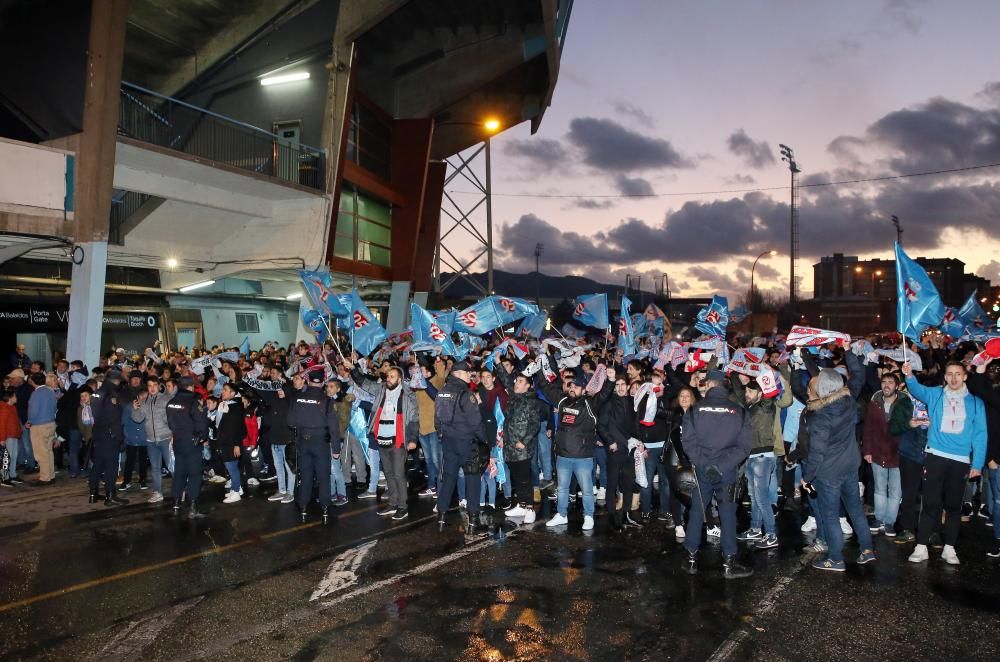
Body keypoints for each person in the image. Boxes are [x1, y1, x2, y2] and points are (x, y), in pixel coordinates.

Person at [903, 360, 987, 565]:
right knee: (930, 503)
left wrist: (977, 464)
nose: (954, 378)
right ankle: (921, 546)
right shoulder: (936, 394)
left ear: (965, 376)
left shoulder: (976, 403)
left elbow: (980, 434)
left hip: (960, 460)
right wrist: (908, 376)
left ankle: (949, 548)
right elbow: (917, 390)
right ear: (945, 377)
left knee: (952, 506)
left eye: (958, 374)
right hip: (935, 455)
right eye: (950, 374)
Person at [801, 350, 875, 572]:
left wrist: (807, 477)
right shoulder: (847, 400)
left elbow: (817, 452)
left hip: (829, 472)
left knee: (831, 515)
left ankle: (835, 559)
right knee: (855, 509)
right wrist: (849, 351)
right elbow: (858, 375)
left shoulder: (820, 416)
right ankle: (867, 549)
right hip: (850, 465)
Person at [681, 369, 754, 579]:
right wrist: (721, 467)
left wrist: (705, 465)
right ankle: (729, 561)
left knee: (697, 510)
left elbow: (688, 443)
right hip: (727, 470)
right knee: (727, 513)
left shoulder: (695, 410)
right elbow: (744, 447)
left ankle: (691, 557)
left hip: (703, 470)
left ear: (710, 385)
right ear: (725, 385)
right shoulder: (739, 411)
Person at [540, 359, 614, 532]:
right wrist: (538, 373)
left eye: (576, 387)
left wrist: (610, 381)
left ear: (583, 389)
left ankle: (588, 516)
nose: (572, 388)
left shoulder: (590, 403)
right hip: (563, 456)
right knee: (562, 488)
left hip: (583, 457)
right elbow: (546, 389)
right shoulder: (562, 401)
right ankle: (561, 514)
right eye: (571, 386)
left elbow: (604, 395)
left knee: (587, 490)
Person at [348, 360, 418, 521]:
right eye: (388, 376)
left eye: (392, 377)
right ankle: (393, 503)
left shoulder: (408, 395)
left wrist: (412, 439)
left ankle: (403, 507)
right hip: (381, 439)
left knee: (399, 474)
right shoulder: (380, 390)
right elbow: (363, 383)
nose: (389, 379)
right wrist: (353, 368)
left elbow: (414, 419)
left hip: (398, 440)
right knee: (388, 473)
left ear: (400, 379)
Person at [434, 360, 485, 532]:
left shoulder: (442, 392)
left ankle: (441, 517)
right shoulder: (465, 393)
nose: (469, 375)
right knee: (472, 479)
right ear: (458, 374)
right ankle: (473, 521)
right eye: (467, 372)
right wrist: (486, 440)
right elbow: (475, 422)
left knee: (448, 479)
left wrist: (443, 434)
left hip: (449, 441)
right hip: (466, 442)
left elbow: (438, 420)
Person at [861, 373, 911, 537]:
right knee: (880, 488)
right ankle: (879, 518)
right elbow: (867, 428)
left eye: (890, 382)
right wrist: (867, 450)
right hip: (877, 451)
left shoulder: (905, 404)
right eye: (884, 382)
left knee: (895, 490)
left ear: (897, 386)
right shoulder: (875, 403)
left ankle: (890, 521)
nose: (887, 385)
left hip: (898, 452)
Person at [288, 371, 341, 522]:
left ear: (308, 381)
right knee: (324, 477)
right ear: (323, 381)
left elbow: (290, 422)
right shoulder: (327, 400)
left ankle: (303, 508)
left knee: (305, 475)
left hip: (303, 441)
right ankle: (325, 509)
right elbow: (334, 428)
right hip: (321, 442)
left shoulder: (297, 398)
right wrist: (336, 449)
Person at [598, 376, 641, 530]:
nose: (621, 387)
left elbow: (636, 426)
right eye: (617, 385)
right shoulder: (608, 403)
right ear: (614, 387)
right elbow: (601, 426)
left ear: (628, 386)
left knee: (628, 483)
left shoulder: (632, 402)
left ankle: (627, 513)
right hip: (615, 448)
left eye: (623, 384)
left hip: (630, 448)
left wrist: (639, 442)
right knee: (612, 482)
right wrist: (610, 441)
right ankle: (611, 515)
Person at [967, 356, 1000, 558]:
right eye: (993, 367)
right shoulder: (989, 391)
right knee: (999, 502)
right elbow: (975, 390)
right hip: (996, 457)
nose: (993, 371)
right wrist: (991, 460)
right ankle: (998, 540)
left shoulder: (993, 394)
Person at [165, 375, 210, 518]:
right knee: (195, 475)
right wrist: (202, 437)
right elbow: (201, 422)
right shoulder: (194, 401)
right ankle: (192, 507)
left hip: (178, 441)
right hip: (192, 443)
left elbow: (171, 423)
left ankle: (176, 504)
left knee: (179, 474)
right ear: (191, 386)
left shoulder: (171, 402)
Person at [502, 373, 541, 523]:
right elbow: (506, 380)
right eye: (516, 381)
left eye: (520, 381)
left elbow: (535, 424)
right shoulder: (514, 397)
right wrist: (498, 362)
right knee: (517, 478)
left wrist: (524, 441)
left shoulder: (531, 401)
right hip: (510, 446)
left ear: (528, 386)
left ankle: (530, 508)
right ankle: (521, 505)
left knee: (525, 478)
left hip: (522, 448)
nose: (516, 383)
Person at [89, 370, 128, 505]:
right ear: (116, 380)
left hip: (98, 433)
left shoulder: (98, 392)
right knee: (111, 465)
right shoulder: (112, 394)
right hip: (110, 434)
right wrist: (119, 436)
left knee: (98, 464)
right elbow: (114, 418)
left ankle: (93, 493)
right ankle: (110, 495)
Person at [132, 377, 173, 503]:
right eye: (150, 385)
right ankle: (157, 492)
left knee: (172, 467)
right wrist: (135, 409)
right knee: (155, 468)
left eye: (155, 385)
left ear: (159, 386)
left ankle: (179, 489)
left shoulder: (167, 399)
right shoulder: (144, 402)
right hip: (151, 440)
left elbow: (173, 419)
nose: (152, 388)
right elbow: (138, 419)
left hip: (166, 438)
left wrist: (173, 434)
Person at [216, 382, 248, 504]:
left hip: (231, 442)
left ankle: (236, 492)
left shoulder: (235, 407)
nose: (222, 392)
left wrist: (237, 445)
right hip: (225, 441)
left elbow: (238, 428)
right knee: (231, 466)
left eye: (225, 390)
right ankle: (238, 488)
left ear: (233, 393)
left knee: (232, 466)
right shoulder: (226, 405)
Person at [26, 372, 58, 484]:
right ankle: (51, 474)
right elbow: (55, 407)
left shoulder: (36, 394)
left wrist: (29, 421)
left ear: (33, 381)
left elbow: (33, 411)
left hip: (39, 425)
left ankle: (45, 478)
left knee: (41, 453)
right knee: (49, 451)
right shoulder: (50, 391)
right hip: (50, 423)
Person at [0, 388, 22, 486]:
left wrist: (18, 431)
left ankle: (12, 475)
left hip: (13, 436)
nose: (16, 397)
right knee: (6, 458)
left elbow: (16, 421)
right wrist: (2, 439)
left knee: (14, 456)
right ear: (10, 398)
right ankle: (4, 478)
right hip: (7, 437)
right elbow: (2, 424)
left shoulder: (12, 407)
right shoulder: (4, 408)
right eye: (15, 396)